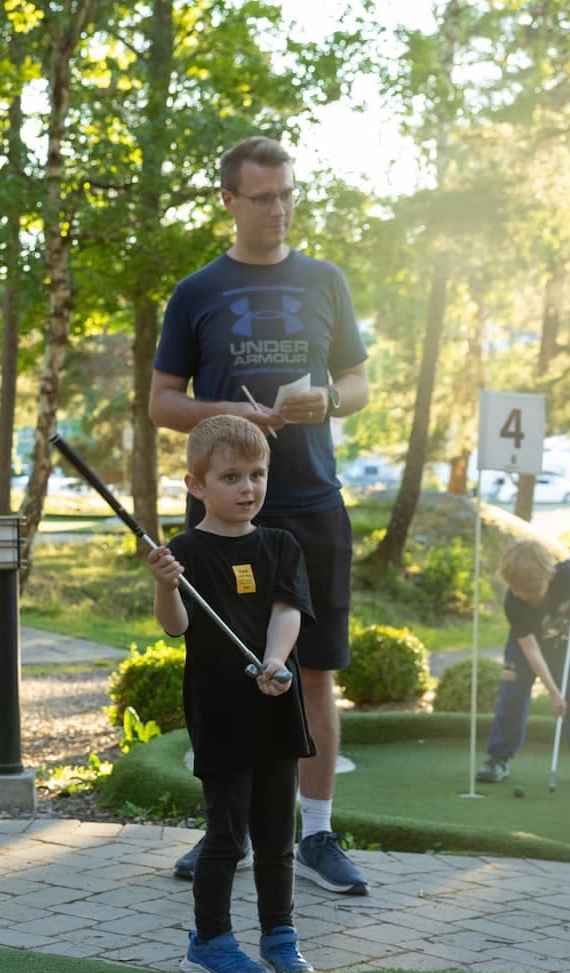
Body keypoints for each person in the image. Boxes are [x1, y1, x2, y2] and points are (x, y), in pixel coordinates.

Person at [149, 135, 372, 895]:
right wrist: (227, 411)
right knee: (225, 673)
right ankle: (227, 832)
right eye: (262, 197)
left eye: (287, 194)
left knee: (312, 673)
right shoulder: (196, 292)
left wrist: (330, 400)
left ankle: (317, 835)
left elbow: (360, 383)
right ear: (228, 201)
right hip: (221, 521)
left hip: (312, 502)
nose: (278, 209)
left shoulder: (326, 280)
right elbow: (161, 402)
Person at [147, 414, 317, 973]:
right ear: (195, 485)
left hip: (275, 703)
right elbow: (175, 627)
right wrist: (166, 585)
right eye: (231, 478)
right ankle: (210, 942)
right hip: (220, 711)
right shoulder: (184, 550)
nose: (248, 489)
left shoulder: (280, 545)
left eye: (257, 475)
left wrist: (274, 661)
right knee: (227, 836)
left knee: (276, 833)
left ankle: (280, 936)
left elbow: (286, 611)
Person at [476, 539, 570, 789]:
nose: (523, 595)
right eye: (516, 589)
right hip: (525, 649)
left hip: (564, 643)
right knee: (511, 696)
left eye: (530, 589)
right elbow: (531, 651)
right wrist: (554, 693)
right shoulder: (514, 604)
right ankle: (498, 759)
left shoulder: (566, 575)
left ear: (550, 574)